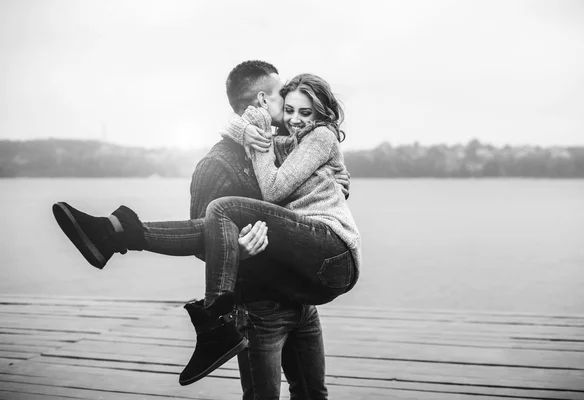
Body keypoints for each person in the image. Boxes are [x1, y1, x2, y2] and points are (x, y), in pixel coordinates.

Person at [52, 67, 360, 393]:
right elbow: (205, 238)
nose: (291, 110)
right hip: (259, 309)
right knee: (219, 214)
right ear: (262, 99)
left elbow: (314, 186)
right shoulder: (217, 164)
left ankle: (114, 232)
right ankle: (119, 235)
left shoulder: (291, 138)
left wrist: (335, 179)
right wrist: (237, 250)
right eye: (282, 96)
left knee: (314, 394)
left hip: (299, 296)